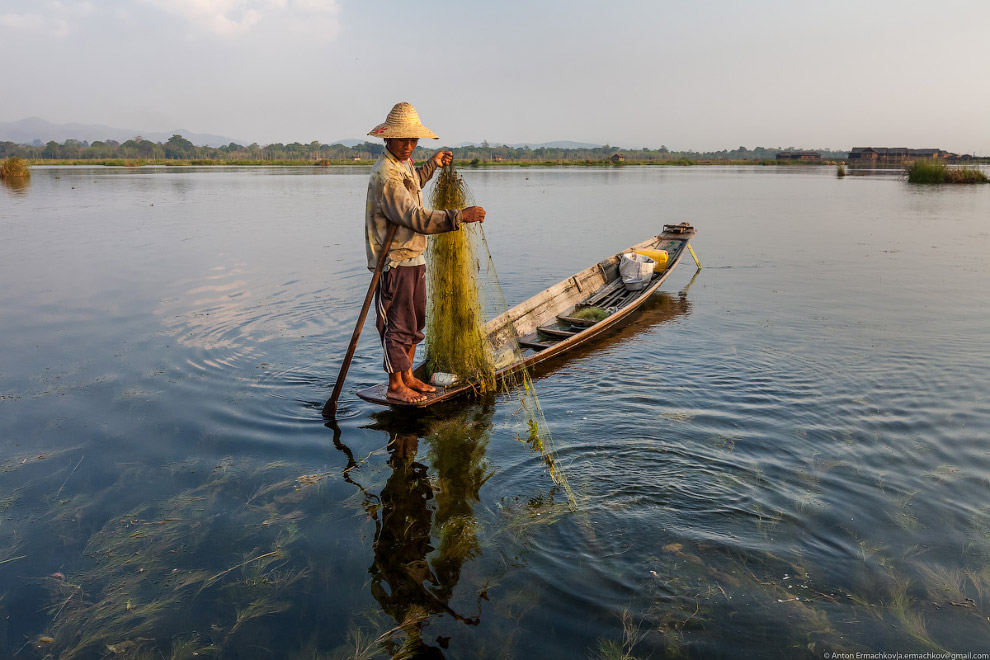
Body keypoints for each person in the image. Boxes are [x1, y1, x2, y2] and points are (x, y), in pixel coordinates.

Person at [365, 102, 486, 404]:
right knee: (397, 324)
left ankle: (408, 377)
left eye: (413, 140)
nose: (409, 145)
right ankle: (395, 385)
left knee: (415, 322)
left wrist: (431, 165)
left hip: (414, 256)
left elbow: (413, 185)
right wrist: (458, 216)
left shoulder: (401, 166)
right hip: (395, 261)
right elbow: (414, 216)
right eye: (403, 139)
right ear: (388, 138)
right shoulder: (386, 176)